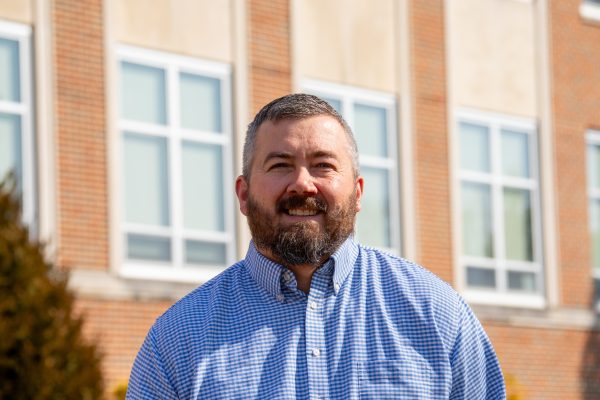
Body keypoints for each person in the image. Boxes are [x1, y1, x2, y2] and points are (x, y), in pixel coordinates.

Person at [127, 94, 506, 399]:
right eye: (279, 165)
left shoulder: (438, 316)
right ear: (243, 195)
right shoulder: (178, 341)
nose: (302, 184)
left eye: (323, 165)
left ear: (357, 194)